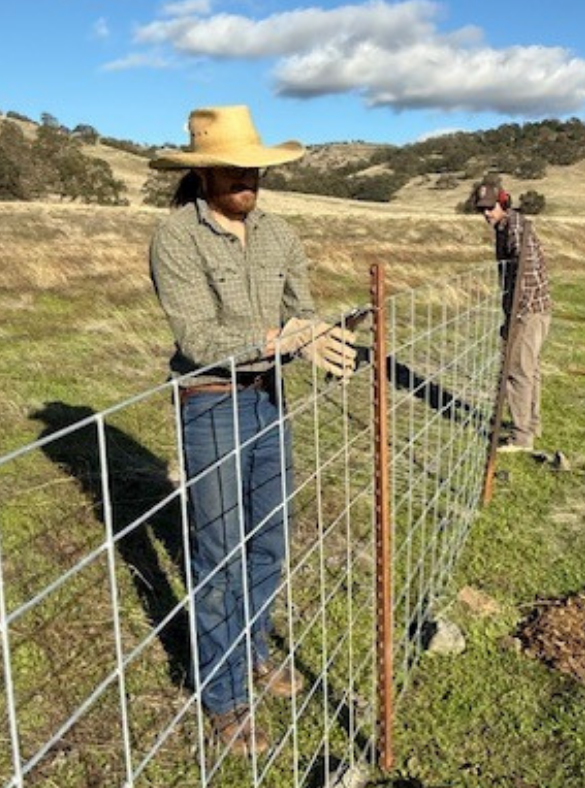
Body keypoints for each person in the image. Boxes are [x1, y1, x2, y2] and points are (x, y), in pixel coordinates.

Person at [149, 105, 356, 756]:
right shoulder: (176, 238)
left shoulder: (278, 234)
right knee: (218, 556)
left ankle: (253, 648)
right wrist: (282, 337)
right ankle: (224, 697)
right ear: (203, 172)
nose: (247, 178)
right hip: (211, 402)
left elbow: (302, 310)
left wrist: (320, 334)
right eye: (232, 167)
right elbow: (199, 337)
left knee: (268, 541)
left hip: (269, 399)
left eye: (254, 167)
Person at [472, 183, 552, 453]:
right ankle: (531, 424)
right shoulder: (506, 226)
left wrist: (517, 316)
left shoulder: (515, 227)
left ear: (503, 204)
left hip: (528, 312)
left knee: (517, 371)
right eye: (482, 209)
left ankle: (521, 438)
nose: (486, 214)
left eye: (490, 208)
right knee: (530, 370)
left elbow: (526, 272)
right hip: (531, 310)